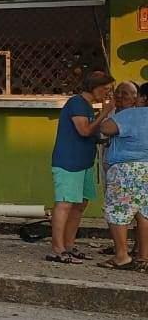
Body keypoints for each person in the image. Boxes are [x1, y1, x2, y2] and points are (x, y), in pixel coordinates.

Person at [47, 71, 115, 264]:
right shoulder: (77, 103)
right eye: (106, 89)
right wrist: (105, 111)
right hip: (69, 162)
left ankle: (68, 245)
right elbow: (84, 130)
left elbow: (93, 133)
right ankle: (57, 249)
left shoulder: (86, 106)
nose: (107, 94)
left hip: (84, 162)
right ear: (96, 87)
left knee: (79, 205)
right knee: (65, 203)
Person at [97, 99, 148, 269]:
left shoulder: (132, 113)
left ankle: (122, 256)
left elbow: (105, 128)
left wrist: (105, 112)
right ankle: (143, 257)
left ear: (143, 97)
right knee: (144, 213)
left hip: (126, 168)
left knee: (118, 211)